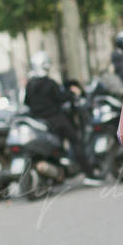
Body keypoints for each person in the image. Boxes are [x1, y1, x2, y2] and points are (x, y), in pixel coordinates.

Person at [24, 51, 101, 186]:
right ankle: (89, 174)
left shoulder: (30, 84)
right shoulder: (49, 83)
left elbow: (27, 102)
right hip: (55, 119)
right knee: (75, 140)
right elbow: (61, 97)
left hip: (37, 121)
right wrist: (72, 93)